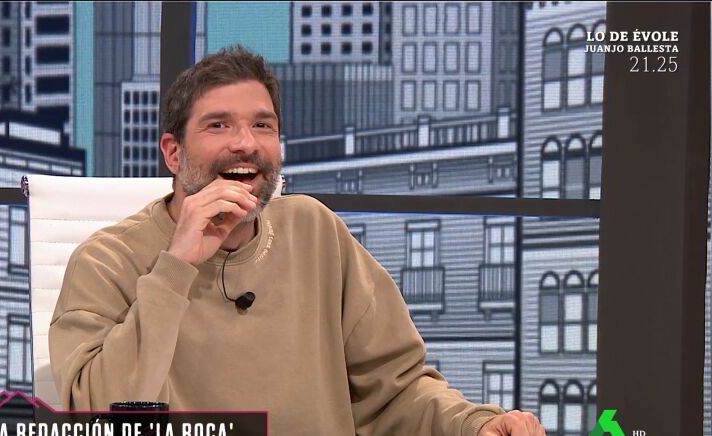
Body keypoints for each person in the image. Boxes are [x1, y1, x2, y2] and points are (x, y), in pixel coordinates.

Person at [49, 46, 545, 436]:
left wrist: (473, 424)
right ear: (173, 154)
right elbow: (99, 415)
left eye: (262, 125)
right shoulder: (105, 261)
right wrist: (176, 266)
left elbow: (396, 391)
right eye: (218, 125)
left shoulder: (315, 231)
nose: (246, 143)